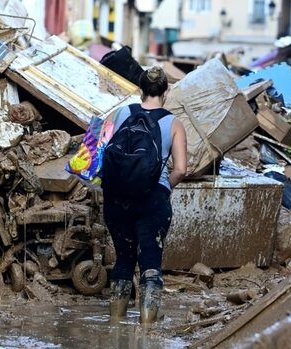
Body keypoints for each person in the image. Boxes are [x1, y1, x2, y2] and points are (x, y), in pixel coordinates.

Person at [102, 66, 187, 324]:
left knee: (123, 260)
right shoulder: (173, 123)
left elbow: (98, 150)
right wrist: (163, 188)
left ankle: (115, 324)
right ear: (166, 91)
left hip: (116, 199)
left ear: (141, 89)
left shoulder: (120, 113)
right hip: (152, 200)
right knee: (150, 261)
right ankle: (148, 328)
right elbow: (181, 169)